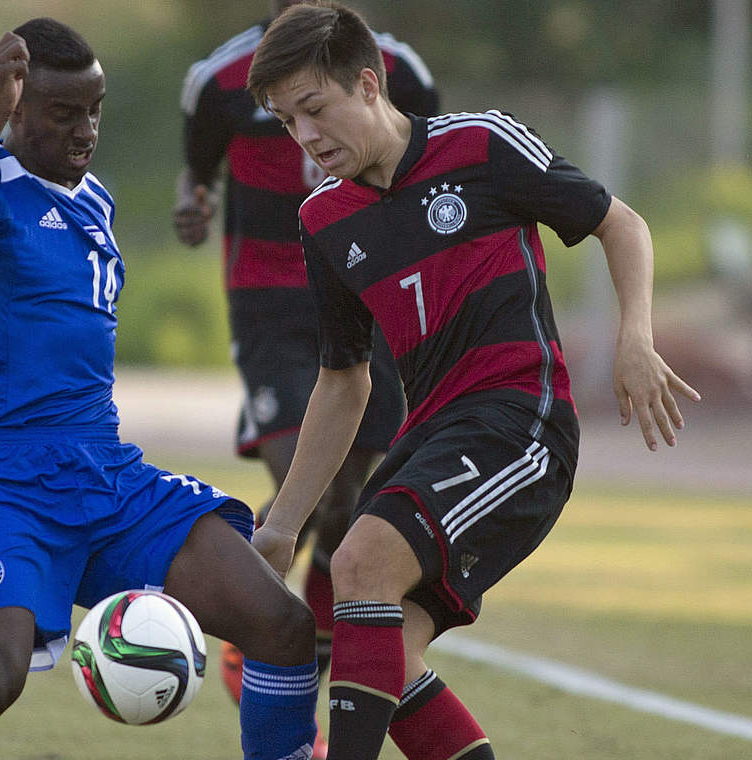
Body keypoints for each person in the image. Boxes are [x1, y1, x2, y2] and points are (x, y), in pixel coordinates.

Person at [244, 4, 701, 759]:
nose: (306, 138)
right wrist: (283, 526)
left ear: (367, 83)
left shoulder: (483, 144)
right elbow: (343, 381)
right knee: (391, 656)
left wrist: (636, 336)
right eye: (288, 122)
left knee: (359, 564)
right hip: (431, 435)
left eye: (315, 110)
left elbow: (622, 223)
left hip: (522, 422)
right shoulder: (323, 220)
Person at [0, 18, 320, 760]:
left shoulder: (95, 201)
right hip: (4, 479)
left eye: (95, 110)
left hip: (107, 474)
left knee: (283, 624)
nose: (85, 131)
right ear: (15, 109)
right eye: (63, 113)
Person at [175, 0, 438, 712]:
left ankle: (302, 672)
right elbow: (195, 174)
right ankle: (244, 612)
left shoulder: (396, 68)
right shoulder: (220, 80)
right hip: (267, 302)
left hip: (363, 289)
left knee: (349, 501)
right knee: (305, 477)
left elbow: (425, 167)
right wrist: (193, 204)